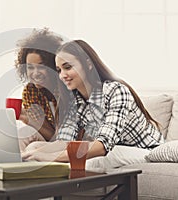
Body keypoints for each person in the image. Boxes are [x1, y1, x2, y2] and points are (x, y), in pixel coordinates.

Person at [22, 40, 164, 165]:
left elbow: (102, 147)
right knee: (33, 147)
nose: (62, 75)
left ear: (88, 64)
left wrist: (49, 157)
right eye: (59, 70)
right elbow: (64, 142)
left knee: (97, 158)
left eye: (68, 67)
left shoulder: (116, 90)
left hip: (144, 150)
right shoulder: (74, 101)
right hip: (113, 148)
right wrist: (34, 152)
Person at [14, 28, 63, 150]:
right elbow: (48, 133)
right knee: (23, 133)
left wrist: (27, 118)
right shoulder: (30, 91)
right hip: (51, 140)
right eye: (30, 67)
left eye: (41, 67)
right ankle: (14, 167)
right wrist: (26, 118)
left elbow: (58, 137)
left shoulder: (65, 88)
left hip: (67, 143)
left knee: (32, 146)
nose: (35, 73)